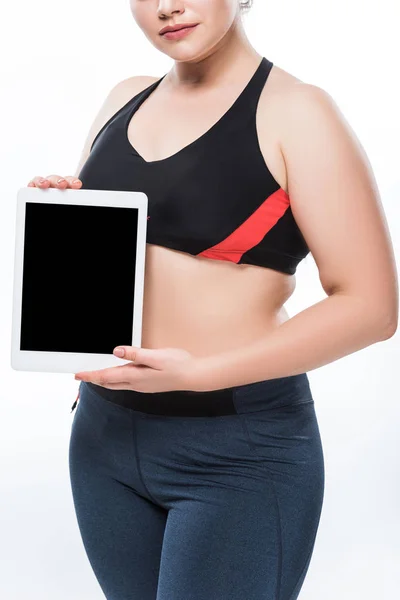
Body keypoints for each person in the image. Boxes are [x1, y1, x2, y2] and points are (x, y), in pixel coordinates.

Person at [28, 1, 398, 598]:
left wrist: (202, 374)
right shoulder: (123, 97)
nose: (166, 6)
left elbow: (372, 307)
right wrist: (63, 211)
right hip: (103, 440)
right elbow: (104, 269)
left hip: (236, 452)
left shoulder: (297, 112)